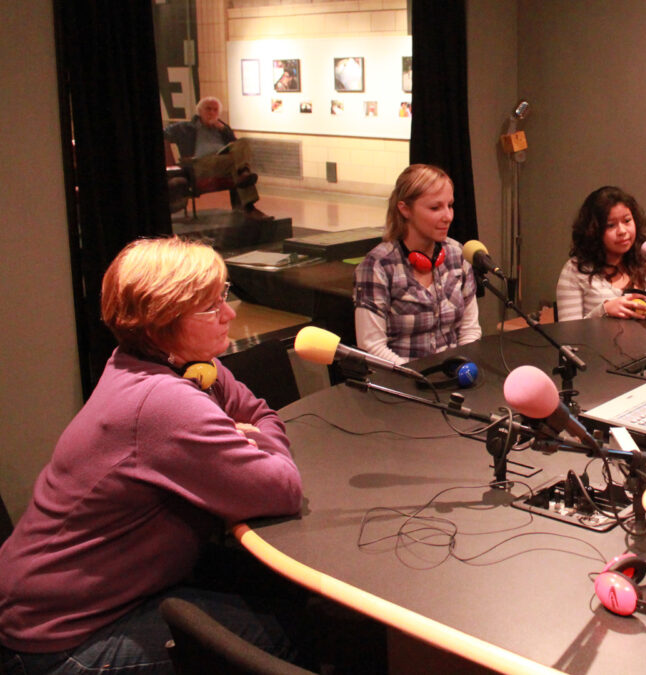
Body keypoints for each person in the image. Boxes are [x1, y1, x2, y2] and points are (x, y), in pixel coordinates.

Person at [0, 237, 306, 674]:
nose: (230, 313)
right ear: (158, 323)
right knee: (289, 633)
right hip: (57, 643)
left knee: (283, 589)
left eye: (224, 295)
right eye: (209, 307)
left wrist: (248, 435)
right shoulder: (162, 402)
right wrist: (256, 440)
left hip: (93, 600)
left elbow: (259, 412)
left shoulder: (177, 366)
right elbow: (283, 488)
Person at [355, 164, 482, 365]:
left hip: (454, 377)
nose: (448, 216)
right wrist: (417, 378)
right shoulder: (378, 265)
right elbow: (371, 345)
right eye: (435, 207)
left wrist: (463, 365)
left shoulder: (458, 254)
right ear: (405, 209)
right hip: (402, 380)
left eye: (450, 205)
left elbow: (470, 329)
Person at [556, 186, 646, 321]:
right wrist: (604, 310)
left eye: (627, 221)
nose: (622, 231)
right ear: (594, 231)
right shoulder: (575, 270)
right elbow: (568, 336)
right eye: (610, 225)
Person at [163, 97, 273, 221]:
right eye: (208, 109)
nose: (211, 113)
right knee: (236, 166)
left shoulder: (222, 128)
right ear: (199, 111)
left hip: (222, 162)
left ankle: (245, 197)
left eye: (215, 110)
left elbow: (237, 147)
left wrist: (224, 130)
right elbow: (164, 133)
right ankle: (248, 206)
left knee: (242, 144)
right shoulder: (186, 127)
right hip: (199, 164)